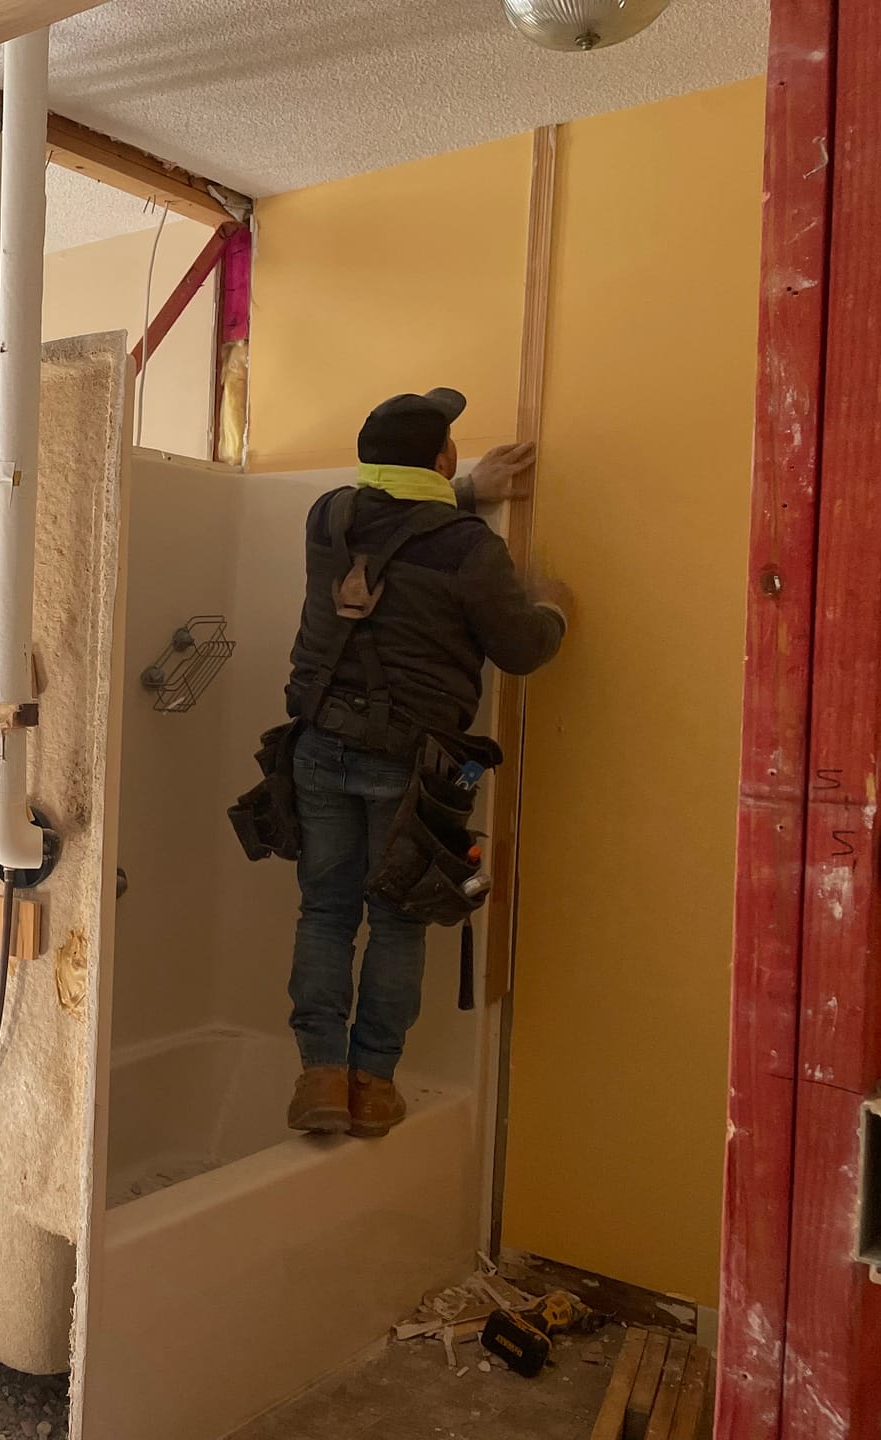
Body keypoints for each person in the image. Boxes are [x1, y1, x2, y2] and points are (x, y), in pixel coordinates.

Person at [282, 389, 569, 1139]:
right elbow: (521, 648)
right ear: (442, 458)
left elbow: (396, 522)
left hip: (318, 746)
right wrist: (558, 612)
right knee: (398, 922)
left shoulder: (329, 518)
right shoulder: (472, 549)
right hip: (412, 766)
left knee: (327, 910)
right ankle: (373, 1083)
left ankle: (319, 1074)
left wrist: (471, 488)